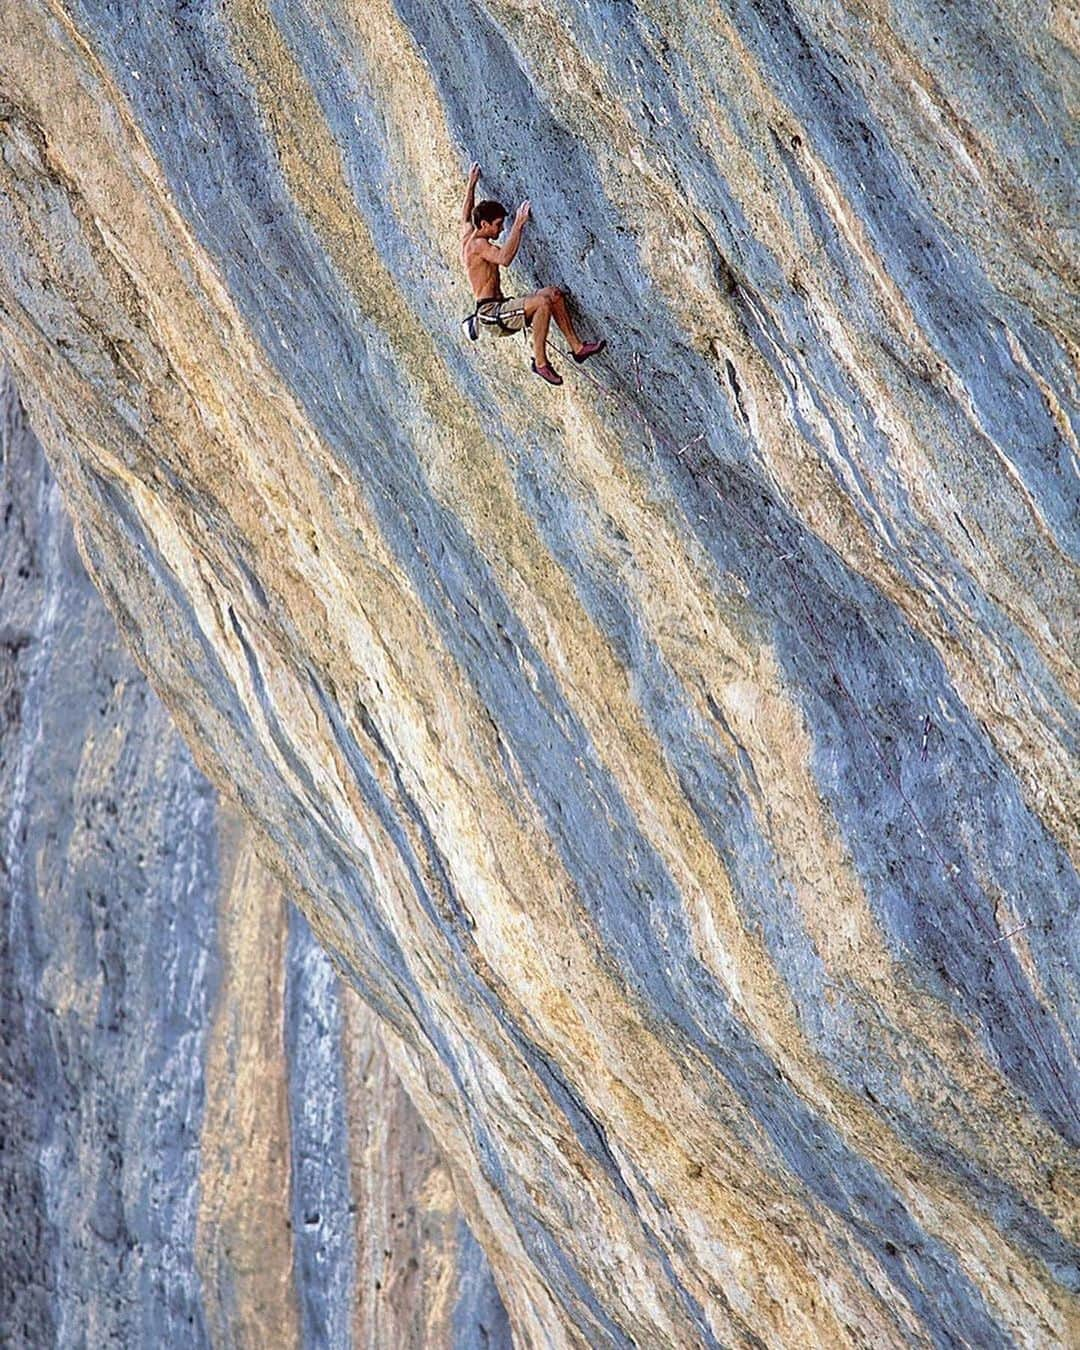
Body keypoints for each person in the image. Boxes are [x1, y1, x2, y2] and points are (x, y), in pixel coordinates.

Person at [459, 162, 605, 386]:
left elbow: (466, 216)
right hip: (491, 315)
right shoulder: (477, 245)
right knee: (542, 303)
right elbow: (505, 259)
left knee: (554, 295)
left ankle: (577, 348)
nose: (501, 229)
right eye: (498, 225)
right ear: (485, 224)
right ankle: (540, 363)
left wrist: (472, 183)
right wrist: (518, 225)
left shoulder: (469, 234)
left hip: (500, 308)